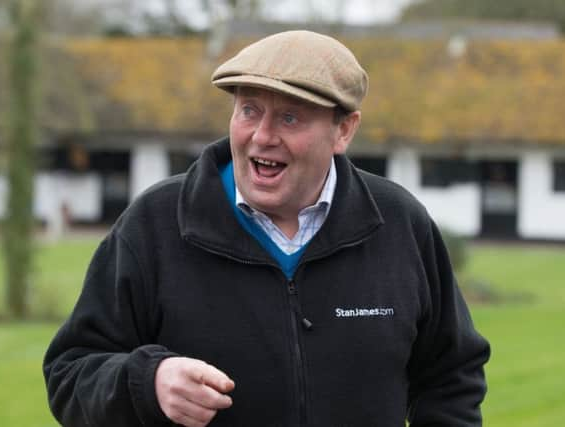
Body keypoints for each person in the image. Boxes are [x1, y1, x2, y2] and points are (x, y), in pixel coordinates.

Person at [44, 30, 490, 427]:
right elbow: (70, 373)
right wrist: (147, 382)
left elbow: (452, 375)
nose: (261, 136)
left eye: (290, 117)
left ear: (344, 131)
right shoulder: (155, 224)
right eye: (249, 110)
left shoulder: (399, 223)